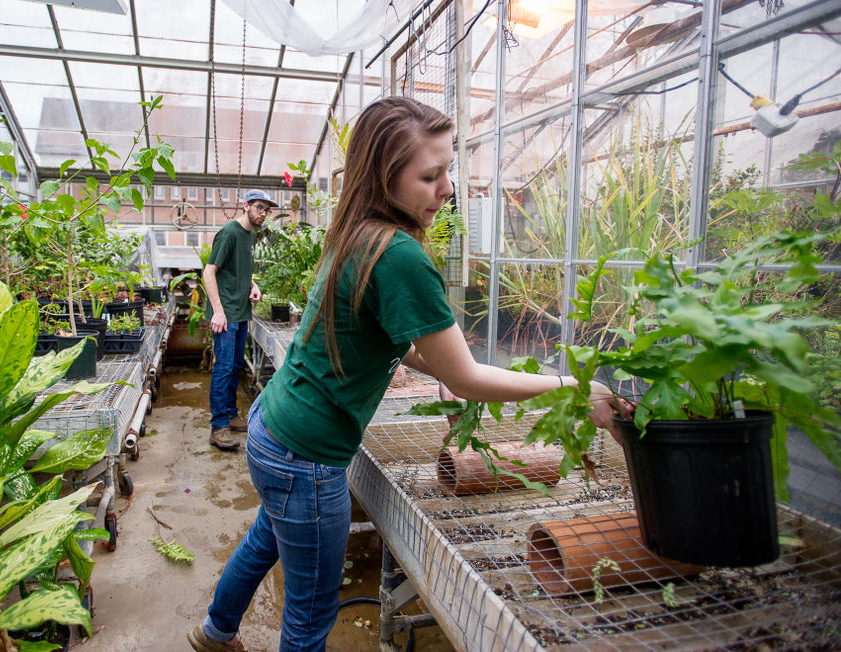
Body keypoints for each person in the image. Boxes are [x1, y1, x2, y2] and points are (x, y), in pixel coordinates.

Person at [186, 97, 631, 652]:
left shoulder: (353, 231)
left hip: (272, 429)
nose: (447, 189)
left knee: (263, 541)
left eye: (449, 171)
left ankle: (215, 632)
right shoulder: (398, 255)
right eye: (431, 175)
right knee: (308, 616)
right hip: (308, 456)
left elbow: (382, 335)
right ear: (384, 177)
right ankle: (217, 632)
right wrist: (574, 387)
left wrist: (437, 364)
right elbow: (468, 379)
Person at [203, 188, 276, 450]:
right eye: (259, 208)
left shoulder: (250, 235)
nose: (263, 214)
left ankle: (232, 416)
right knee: (223, 368)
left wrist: (253, 285)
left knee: (235, 367)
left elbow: (239, 269)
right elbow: (209, 272)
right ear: (245, 206)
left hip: (241, 311)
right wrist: (219, 312)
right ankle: (218, 426)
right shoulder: (230, 233)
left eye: (266, 210)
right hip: (226, 314)